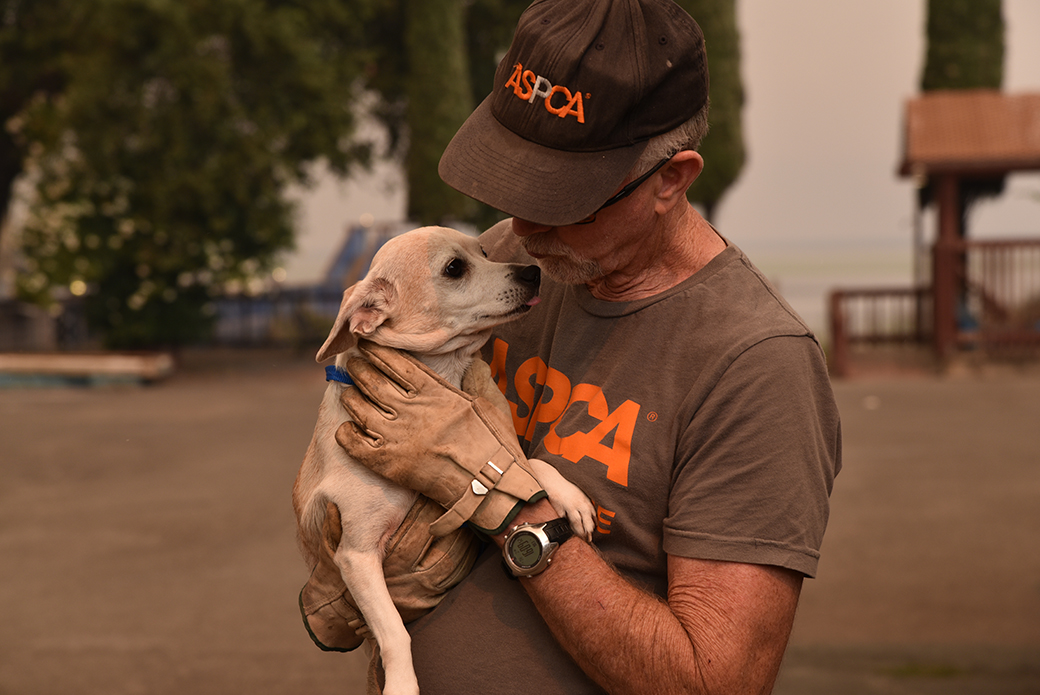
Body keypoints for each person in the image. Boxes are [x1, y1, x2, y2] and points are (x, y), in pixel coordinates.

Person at [337, 0, 842, 692]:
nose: (522, 224)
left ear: (672, 178)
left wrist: (502, 495)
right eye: (513, 177)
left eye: (563, 196)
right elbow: (365, 423)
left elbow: (712, 681)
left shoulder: (756, 364)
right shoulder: (510, 263)